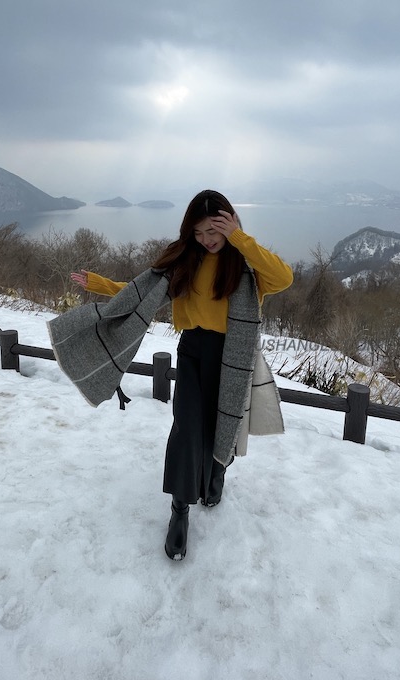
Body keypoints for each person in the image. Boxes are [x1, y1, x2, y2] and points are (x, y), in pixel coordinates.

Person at [64, 189, 293, 560]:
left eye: (214, 231)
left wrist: (238, 237)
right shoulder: (186, 261)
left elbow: (284, 277)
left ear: (230, 223)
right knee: (186, 429)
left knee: (224, 426)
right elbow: (144, 295)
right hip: (192, 352)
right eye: (200, 232)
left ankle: (217, 473)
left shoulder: (246, 266)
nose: (207, 240)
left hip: (232, 356)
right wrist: (102, 285)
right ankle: (179, 510)